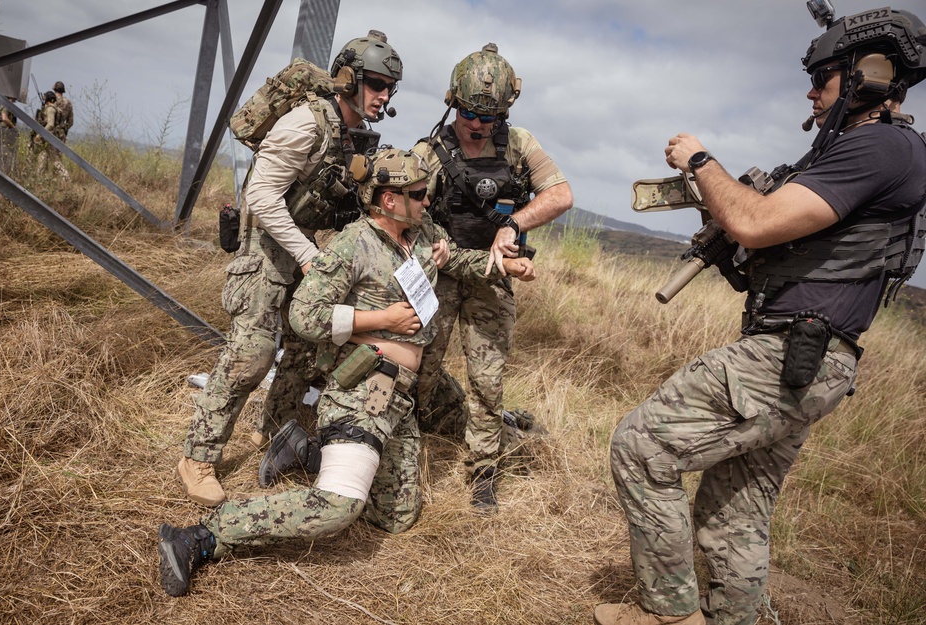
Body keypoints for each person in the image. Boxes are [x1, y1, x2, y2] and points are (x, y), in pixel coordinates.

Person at [597, 7, 926, 625]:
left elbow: (753, 220)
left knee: (641, 448)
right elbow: (764, 247)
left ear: (870, 75)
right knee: (735, 512)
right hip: (809, 359)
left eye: (823, 77)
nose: (810, 91)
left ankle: (669, 614)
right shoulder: (875, 152)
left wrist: (701, 161)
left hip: (787, 357)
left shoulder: (881, 147)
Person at [157, 148, 536, 596]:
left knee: (396, 517)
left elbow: (451, 259)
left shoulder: (421, 233)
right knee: (339, 507)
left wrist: (501, 265)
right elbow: (304, 315)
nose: (427, 201)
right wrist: (379, 321)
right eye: (418, 194)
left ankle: (305, 452)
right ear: (388, 200)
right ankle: (201, 537)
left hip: (400, 397)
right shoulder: (353, 244)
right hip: (364, 388)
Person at [176, 30, 405, 507]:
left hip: (306, 251)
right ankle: (197, 456)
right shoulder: (307, 123)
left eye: (390, 88)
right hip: (268, 247)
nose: (384, 96)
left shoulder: (351, 134)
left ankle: (275, 433)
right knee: (252, 355)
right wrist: (305, 253)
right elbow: (260, 195)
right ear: (348, 79)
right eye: (377, 84)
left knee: (305, 351)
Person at [411, 43, 572, 510]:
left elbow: (560, 194)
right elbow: (403, 211)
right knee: (419, 369)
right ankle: (412, 450)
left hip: (492, 281)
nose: (478, 124)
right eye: (468, 113)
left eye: (489, 116)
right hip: (439, 276)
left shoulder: (518, 143)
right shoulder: (431, 151)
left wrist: (513, 224)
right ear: (451, 102)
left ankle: (483, 471)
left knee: (488, 381)